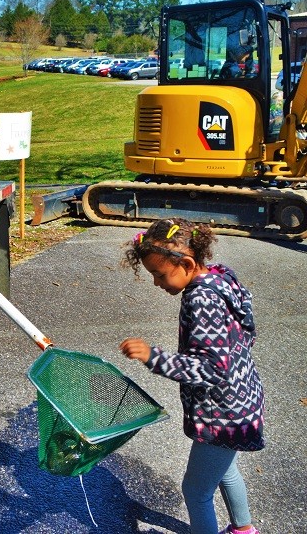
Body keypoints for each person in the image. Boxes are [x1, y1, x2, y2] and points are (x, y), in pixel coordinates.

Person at [118, 218, 264, 534]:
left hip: (223, 414)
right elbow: (245, 332)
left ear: (186, 263)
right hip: (242, 401)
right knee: (226, 470)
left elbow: (211, 368)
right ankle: (244, 529)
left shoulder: (201, 298)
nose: (157, 282)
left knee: (196, 492)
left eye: (159, 274)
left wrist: (152, 357)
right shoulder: (220, 278)